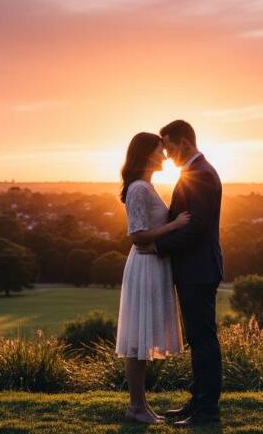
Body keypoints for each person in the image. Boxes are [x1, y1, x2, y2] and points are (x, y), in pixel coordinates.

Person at [137, 119, 224, 427]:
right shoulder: (195, 172)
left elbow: (196, 227)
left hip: (199, 269)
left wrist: (158, 247)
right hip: (194, 269)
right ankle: (197, 401)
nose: (167, 152)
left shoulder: (200, 174)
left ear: (184, 142)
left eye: (170, 146)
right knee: (198, 339)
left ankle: (207, 410)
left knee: (203, 340)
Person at [115, 132, 189, 424]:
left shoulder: (147, 186)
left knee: (143, 339)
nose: (165, 155)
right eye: (161, 150)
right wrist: (175, 226)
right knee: (137, 340)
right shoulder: (138, 189)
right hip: (144, 266)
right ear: (147, 154)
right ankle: (135, 407)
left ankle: (141, 407)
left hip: (153, 264)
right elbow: (136, 235)